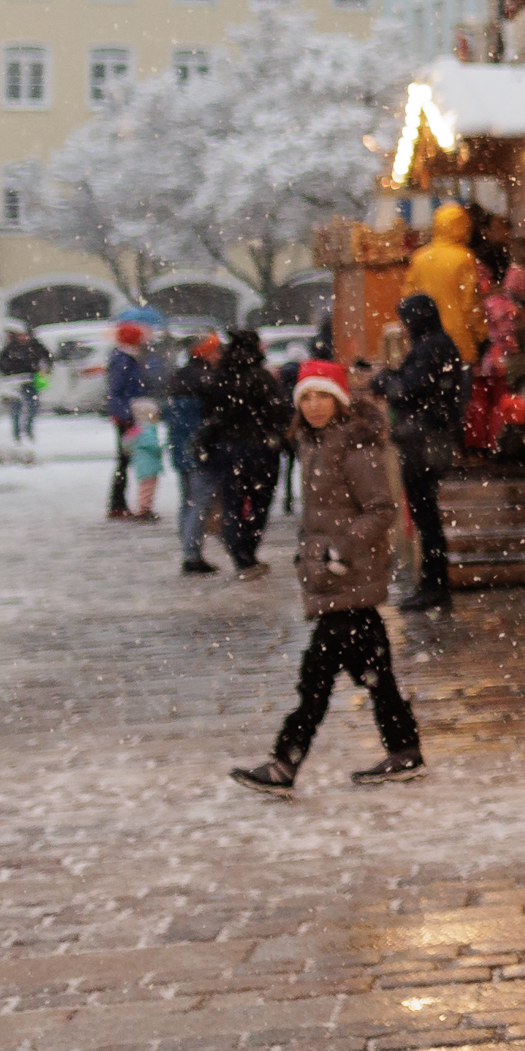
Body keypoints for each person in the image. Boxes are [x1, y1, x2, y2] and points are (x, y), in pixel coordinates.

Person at [227, 361, 421, 793]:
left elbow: (381, 509)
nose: (314, 405)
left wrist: (339, 550)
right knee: (375, 674)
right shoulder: (312, 443)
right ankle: (405, 750)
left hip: (346, 575)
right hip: (330, 575)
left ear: (339, 399)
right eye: (306, 397)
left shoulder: (353, 446)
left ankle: (285, 763)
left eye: (322, 396)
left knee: (315, 678)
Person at [377, 292, 466, 611]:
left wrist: (383, 380)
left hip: (424, 443)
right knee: (426, 515)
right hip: (430, 439)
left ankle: (434, 585)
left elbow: (408, 390)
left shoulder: (430, 348)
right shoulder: (439, 345)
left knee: (426, 516)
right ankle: (432, 583)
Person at [205, 336, 291, 581]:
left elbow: (211, 414)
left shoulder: (220, 378)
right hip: (260, 448)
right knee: (259, 503)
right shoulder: (262, 377)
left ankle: (240, 557)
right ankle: (247, 554)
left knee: (232, 504)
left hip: (228, 447)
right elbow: (278, 411)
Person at [401, 204, 488, 366]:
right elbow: (470, 304)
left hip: (425, 344)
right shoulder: (464, 258)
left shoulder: (419, 258)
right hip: (459, 342)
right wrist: (481, 335)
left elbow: (408, 299)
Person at [168, 332, 225, 575]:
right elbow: (210, 420)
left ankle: (189, 550)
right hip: (199, 451)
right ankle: (192, 555)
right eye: (216, 350)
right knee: (199, 503)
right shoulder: (207, 380)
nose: (220, 355)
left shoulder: (179, 377)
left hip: (180, 449)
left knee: (187, 502)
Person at [102, 320, 156, 520]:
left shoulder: (126, 358)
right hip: (127, 417)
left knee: (126, 460)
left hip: (130, 414)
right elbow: (116, 391)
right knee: (125, 460)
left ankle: (120, 503)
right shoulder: (123, 360)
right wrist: (124, 415)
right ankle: (117, 504)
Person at [0, 322, 47, 443]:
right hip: (15, 381)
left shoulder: (36, 346)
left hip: (31, 380)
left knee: (33, 407)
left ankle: (28, 430)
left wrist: (44, 370)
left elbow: (48, 358)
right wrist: (8, 374)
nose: (24, 338)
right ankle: (16, 433)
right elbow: (0, 363)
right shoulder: (11, 347)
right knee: (16, 408)